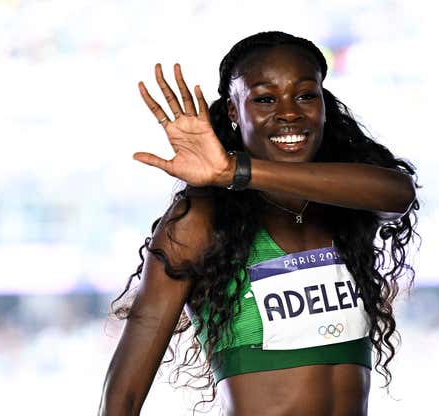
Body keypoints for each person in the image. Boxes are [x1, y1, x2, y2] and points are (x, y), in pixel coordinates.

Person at [98, 31, 420, 416]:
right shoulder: (201, 220)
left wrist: (237, 170)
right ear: (234, 111)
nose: (289, 112)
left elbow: (398, 194)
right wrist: (230, 176)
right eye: (265, 98)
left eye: (305, 95)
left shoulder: (347, 200)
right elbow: (124, 394)